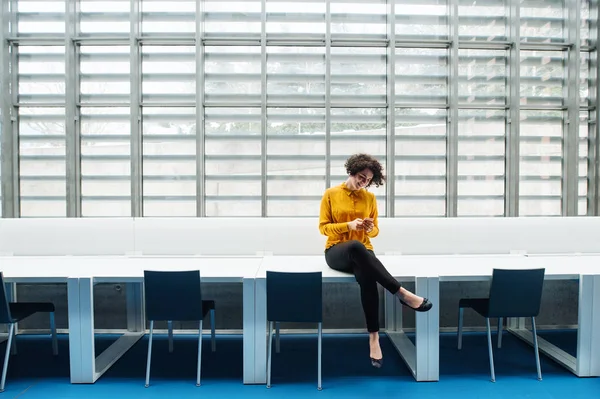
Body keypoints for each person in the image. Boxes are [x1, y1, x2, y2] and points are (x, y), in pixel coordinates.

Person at [318, 153, 433, 369]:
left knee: (367, 276)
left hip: (363, 253)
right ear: (351, 171)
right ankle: (402, 293)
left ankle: (374, 337)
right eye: (362, 177)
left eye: (369, 180)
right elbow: (323, 228)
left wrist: (371, 229)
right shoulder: (331, 194)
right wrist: (348, 226)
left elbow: (376, 230)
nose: (364, 182)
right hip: (337, 251)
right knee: (355, 245)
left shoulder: (369, 198)